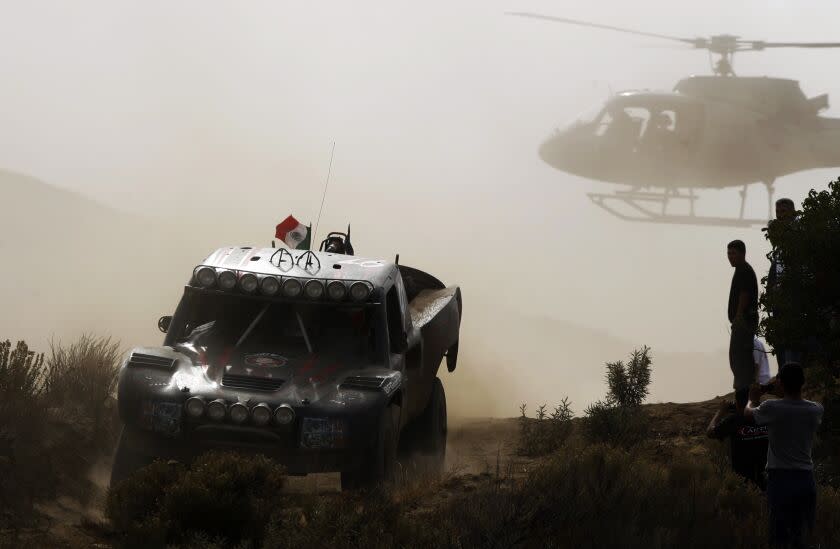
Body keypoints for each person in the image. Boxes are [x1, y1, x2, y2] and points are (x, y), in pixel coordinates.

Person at [745, 363, 824, 548]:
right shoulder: (816, 409)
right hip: (805, 479)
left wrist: (752, 399)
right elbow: (796, 404)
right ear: (802, 383)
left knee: (779, 537)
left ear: (780, 383)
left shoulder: (771, 407)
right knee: (803, 536)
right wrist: (783, 391)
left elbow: (748, 415)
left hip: (780, 480)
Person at [707, 397, 769, 490]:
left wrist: (720, 412)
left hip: (742, 482)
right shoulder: (767, 416)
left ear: (738, 403)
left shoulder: (734, 420)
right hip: (769, 478)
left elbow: (710, 432)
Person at [766, 198, 800, 369]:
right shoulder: (780, 242)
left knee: (790, 340)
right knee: (782, 339)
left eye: (783, 212)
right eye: (778, 212)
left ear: (792, 212)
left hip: (792, 298)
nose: (780, 216)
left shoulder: (797, 233)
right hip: (780, 299)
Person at [727, 239, 760, 406]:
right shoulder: (741, 270)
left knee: (739, 358)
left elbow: (744, 294)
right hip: (743, 321)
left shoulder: (744, 271)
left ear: (742, 253)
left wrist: (739, 316)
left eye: (733, 253)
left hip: (744, 322)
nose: (730, 257)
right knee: (739, 358)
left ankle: (743, 396)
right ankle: (744, 392)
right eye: (728, 253)